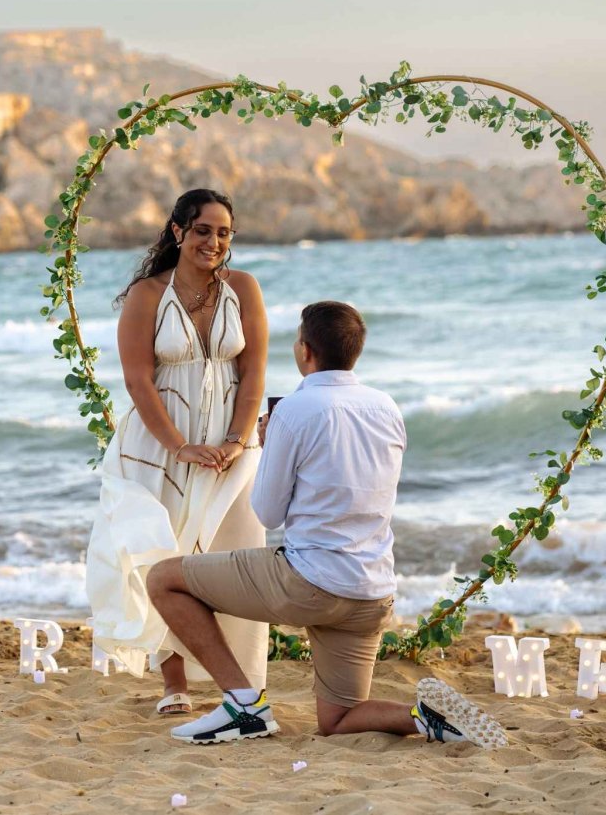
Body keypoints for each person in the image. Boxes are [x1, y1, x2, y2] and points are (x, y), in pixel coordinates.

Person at [146, 301, 507, 748]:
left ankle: (243, 704)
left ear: (304, 350)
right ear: (355, 352)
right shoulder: (386, 406)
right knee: (337, 719)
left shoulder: (294, 411)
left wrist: (266, 440)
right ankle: (427, 719)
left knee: (164, 579)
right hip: (370, 593)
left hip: (310, 584)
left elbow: (268, 513)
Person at [85, 188, 270, 716]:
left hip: (232, 448)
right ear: (178, 232)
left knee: (236, 557)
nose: (213, 241)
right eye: (203, 230)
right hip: (160, 445)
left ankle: (241, 682)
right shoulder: (147, 295)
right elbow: (138, 380)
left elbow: (253, 371)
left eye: (223, 232)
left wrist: (236, 441)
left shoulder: (244, 289)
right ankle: (175, 685)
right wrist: (181, 446)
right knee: (165, 556)